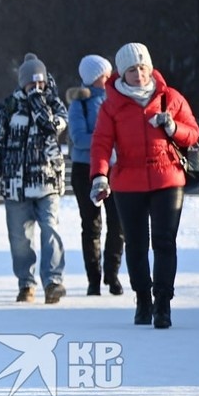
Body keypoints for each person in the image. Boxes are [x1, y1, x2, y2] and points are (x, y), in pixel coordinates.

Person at [90, 42, 199, 329]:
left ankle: (163, 302)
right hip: (128, 181)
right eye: (131, 70)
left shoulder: (170, 98)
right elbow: (101, 144)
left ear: (150, 69)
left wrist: (173, 127)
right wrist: (99, 176)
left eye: (142, 68)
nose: (138, 74)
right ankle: (142, 299)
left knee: (164, 242)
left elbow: (192, 134)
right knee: (136, 245)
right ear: (121, 74)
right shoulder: (111, 105)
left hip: (168, 179)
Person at [0, 53, 69, 304]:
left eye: (40, 82)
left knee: (50, 230)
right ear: (22, 82)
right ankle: (26, 284)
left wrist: (38, 100)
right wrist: (0, 163)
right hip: (16, 185)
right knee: (20, 240)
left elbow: (52, 127)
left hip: (47, 182)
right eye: (31, 84)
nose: (36, 87)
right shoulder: (9, 105)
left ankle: (53, 282)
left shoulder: (54, 104)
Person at [66, 55, 124, 296]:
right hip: (85, 169)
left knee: (117, 222)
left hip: (115, 169)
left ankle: (113, 275)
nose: (109, 77)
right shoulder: (80, 102)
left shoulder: (117, 100)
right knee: (91, 225)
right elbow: (78, 138)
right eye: (104, 74)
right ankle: (93, 278)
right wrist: (105, 140)